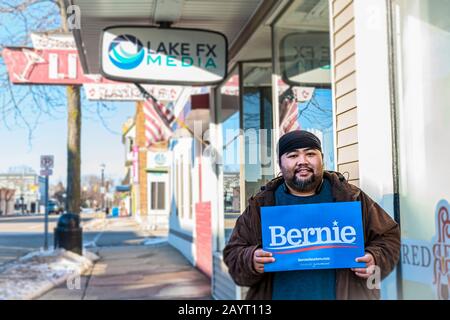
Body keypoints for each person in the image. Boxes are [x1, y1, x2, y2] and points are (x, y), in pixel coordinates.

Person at [223, 130, 400, 300]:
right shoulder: (262, 204)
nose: (303, 161)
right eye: (293, 156)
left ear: (321, 158)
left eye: (310, 154)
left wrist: (375, 258)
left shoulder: (350, 197)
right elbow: (233, 254)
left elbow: (389, 237)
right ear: (280, 163)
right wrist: (250, 259)